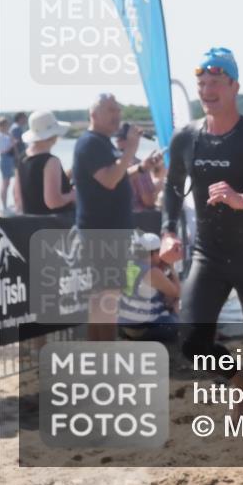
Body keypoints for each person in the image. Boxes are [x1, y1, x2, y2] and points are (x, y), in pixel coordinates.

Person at [159, 47, 243, 457]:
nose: (207, 89)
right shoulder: (187, 138)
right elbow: (170, 189)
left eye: (216, 82)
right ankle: (237, 376)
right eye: (202, 83)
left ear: (235, 85)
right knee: (191, 342)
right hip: (208, 256)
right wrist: (167, 231)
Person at [74, 94, 157, 341]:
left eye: (119, 110)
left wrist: (141, 168)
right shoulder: (91, 142)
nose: (117, 115)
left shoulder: (102, 142)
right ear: (94, 114)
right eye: (111, 110)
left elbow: (114, 175)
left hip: (110, 231)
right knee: (106, 298)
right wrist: (131, 149)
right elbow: (109, 180)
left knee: (104, 297)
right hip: (101, 232)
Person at [118, 231, 180, 343]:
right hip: (142, 330)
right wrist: (172, 268)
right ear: (153, 253)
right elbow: (176, 293)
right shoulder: (152, 272)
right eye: (160, 252)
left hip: (124, 326)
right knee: (177, 304)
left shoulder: (130, 264)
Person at [14, 110, 75, 216]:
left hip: (31, 225)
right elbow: (53, 202)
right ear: (53, 135)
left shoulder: (22, 158)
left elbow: (18, 197)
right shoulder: (51, 161)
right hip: (53, 226)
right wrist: (73, 195)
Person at [114, 126, 164, 211]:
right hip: (136, 219)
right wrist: (160, 186)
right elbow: (149, 202)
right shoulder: (139, 165)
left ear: (118, 141)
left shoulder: (109, 164)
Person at [0, 117, 16, 214]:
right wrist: (12, 143)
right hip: (5, 158)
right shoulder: (1, 136)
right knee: (5, 183)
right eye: (7, 125)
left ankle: (6, 206)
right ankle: (4, 206)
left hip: (9, 159)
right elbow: (2, 150)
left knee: (8, 183)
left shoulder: (5, 135)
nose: (8, 127)